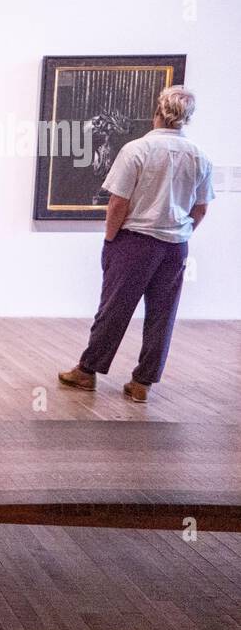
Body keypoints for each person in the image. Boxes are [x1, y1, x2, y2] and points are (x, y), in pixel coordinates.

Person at [60, 86, 214, 403]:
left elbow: (118, 203)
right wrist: (180, 231)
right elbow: (200, 209)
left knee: (114, 309)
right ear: (187, 118)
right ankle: (142, 383)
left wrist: (110, 239)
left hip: (135, 241)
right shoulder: (200, 156)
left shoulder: (137, 150)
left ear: (157, 111)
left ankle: (87, 371)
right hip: (175, 246)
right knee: (162, 314)